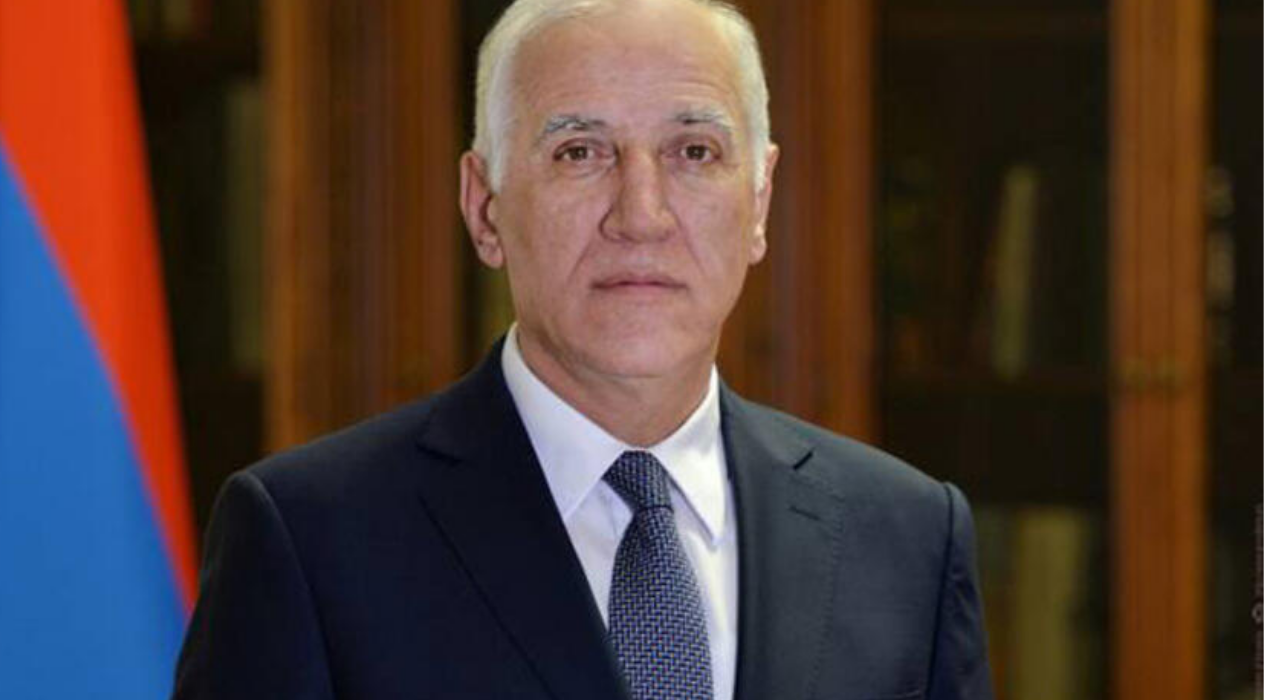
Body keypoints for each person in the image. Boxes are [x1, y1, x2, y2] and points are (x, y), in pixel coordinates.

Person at [172, 0, 994, 698]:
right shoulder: (311, 541)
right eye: (579, 152)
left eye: (694, 152)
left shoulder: (909, 540)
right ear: (485, 207)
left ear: (759, 202)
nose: (641, 215)